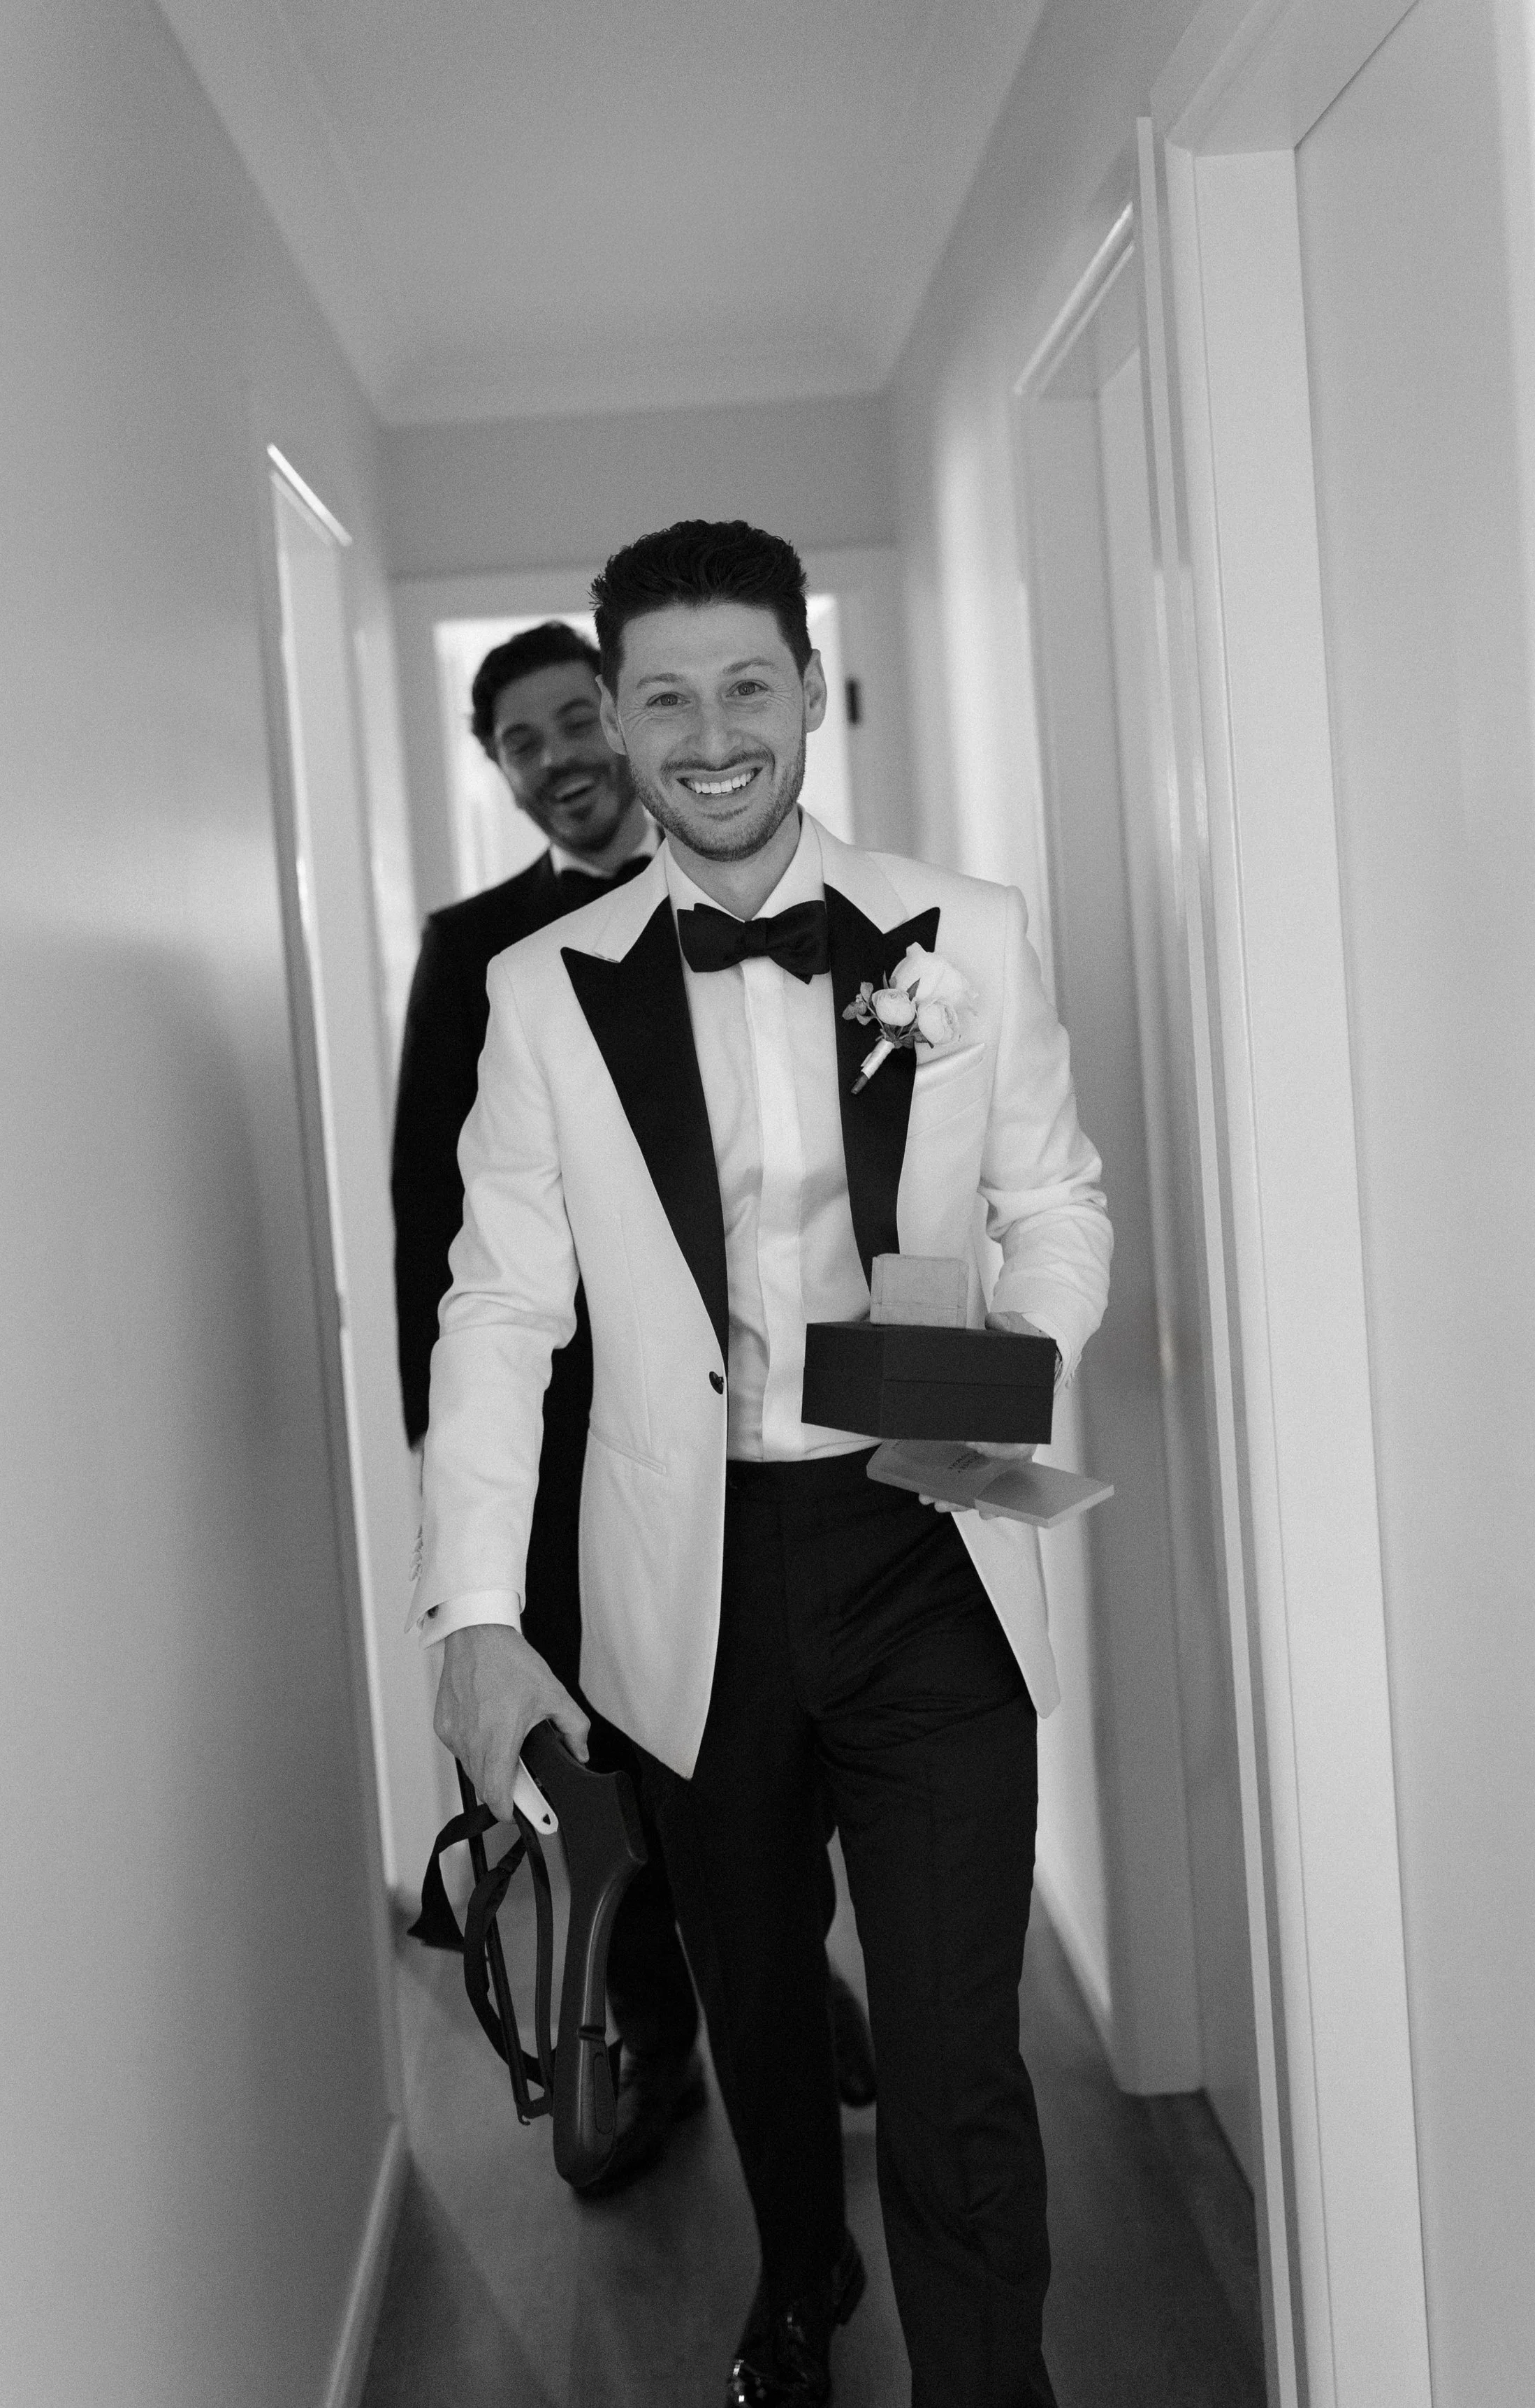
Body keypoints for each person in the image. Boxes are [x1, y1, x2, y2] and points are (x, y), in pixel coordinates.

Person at [412, 526, 1111, 2405]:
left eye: (746, 683)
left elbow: (1055, 1191)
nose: (709, 730)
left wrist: (1007, 1358)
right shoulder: (544, 991)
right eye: (664, 693)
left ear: (808, 689)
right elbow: (496, 1308)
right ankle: (800, 2277)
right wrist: (477, 1612)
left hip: (928, 1533)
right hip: (689, 1572)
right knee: (760, 2004)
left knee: (958, 2053)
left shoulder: (963, 926)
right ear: (621, 721)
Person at [392, 617, 872, 2201]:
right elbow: (435, 1238)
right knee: (632, 1772)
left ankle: (794, 1992)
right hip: (570, 1453)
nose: (555, 762)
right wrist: (469, 1493)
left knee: (772, 1750)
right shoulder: (475, 954)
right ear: (503, 771)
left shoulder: (779, 902)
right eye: (516, 743)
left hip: (770, 1439)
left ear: (613, 720)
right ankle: (658, 2047)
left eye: (565, 724)